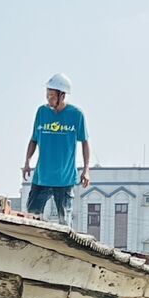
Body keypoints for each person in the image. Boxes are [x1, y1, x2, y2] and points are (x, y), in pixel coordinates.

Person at [22, 73, 90, 226]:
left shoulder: (76, 115)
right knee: (31, 217)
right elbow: (33, 139)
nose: (48, 99)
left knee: (64, 222)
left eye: (52, 96)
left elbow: (85, 142)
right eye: (47, 95)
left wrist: (86, 169)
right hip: (42, 177)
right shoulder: (42, 112)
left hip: (64, 179)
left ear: (62, 95)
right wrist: (27, 162)